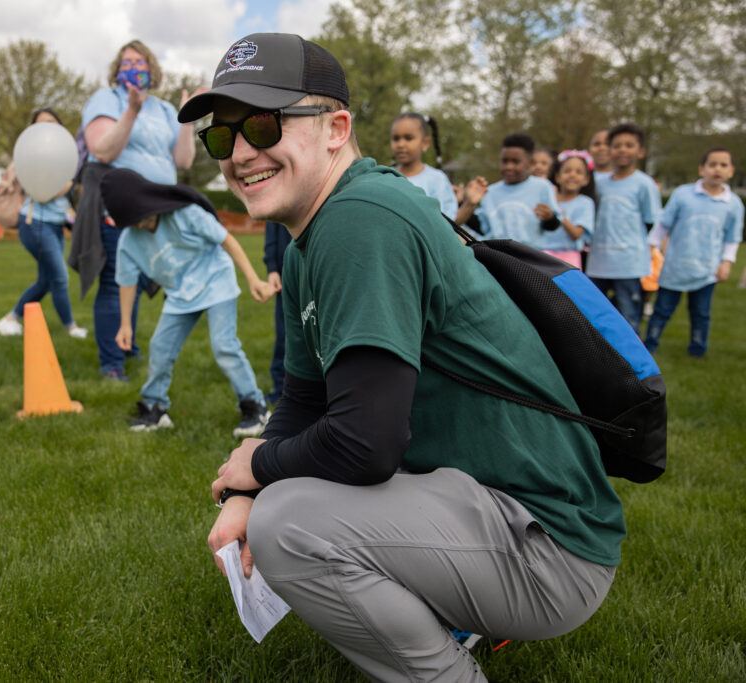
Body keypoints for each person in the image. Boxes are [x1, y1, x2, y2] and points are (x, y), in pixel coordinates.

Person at [183, 32, 625, 683]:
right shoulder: (311, 237)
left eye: (262, 123)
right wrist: (252, 481)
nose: (240, 152)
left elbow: (366, 443)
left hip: (548, 547)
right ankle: (448, 602)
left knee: (289, 526)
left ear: (336, 128)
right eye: (222, 138)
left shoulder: (361, 219)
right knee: (279, 498)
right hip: (489, 503)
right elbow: (305, 398)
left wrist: (261, 467)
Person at [100, 168, 274, 436]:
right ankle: (155, 408)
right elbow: (127, 283)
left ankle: (256, 407)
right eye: (131, 221)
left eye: (140, 216)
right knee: (160, 347)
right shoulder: (128, 242)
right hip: (180, 295)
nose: (139, 224)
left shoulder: (183, 214)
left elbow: (227, 240)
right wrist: (125, 325)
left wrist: (253, 279)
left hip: (216, 282)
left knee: (224, 346)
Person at [69, 40, 205, 381]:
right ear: (117, 69)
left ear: (152, 68)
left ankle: (125, 345)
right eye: (126, 61)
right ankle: (112, 363)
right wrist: (131, 110)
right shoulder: (107, 100)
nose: (133, 66)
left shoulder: (161, 109)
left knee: (140, 278)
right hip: (120, 208)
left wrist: (187, 118)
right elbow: (102, 150)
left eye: (140, 61)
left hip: (158, 211)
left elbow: (183, 160)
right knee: (117, 282)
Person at [0, 107, 87, 339]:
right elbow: (43, 192)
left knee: (46, 280)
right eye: (41, 123)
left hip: (55, 225)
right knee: (59, 277)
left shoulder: (65, 156)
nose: (48, 127)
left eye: (53, 122)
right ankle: (71, 327)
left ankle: (11, 318)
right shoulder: (29, 157)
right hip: (35, 224)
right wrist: (65, 184)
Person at [643, 147, 743, 357]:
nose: (717, 169)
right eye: (712, 164)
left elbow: (732, 238)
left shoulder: (733, 204)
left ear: (731, 171)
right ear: (701, 169)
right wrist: (651, 247)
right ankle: (649, 344)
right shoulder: (683, 194)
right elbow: (663, 224)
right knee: (662, 310)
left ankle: (698, 350)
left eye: (723, 165)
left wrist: (726, 262)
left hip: (706, 270)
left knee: (701, 313)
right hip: (675, 267)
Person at [585, 122, 662, 334]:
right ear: (609, 150)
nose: (622, 150)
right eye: (617, 145)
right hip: (599, 260)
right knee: (594, 312)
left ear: (641, 151)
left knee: (628, 313)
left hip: (628, 263)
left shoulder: (644, 184)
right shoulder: (599, 183)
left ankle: (632, 360)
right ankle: (601, 355)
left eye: (629, 145)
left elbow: (651, 221)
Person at [468, 133, 561, 246]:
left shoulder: (542, 187)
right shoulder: (489, 192)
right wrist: (464, 203)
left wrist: (549, 217)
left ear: (529, 163)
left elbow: (553, 226)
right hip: (498, 257)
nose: (509, 167)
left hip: (531, 258)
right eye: (505, 161)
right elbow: (484, 228)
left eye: (515, 162)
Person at [542, 149, 595, 268]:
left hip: (570, 258)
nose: (572, 175)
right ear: (557, 177)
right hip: (543, 255)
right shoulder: (547, 199)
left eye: (578, 172)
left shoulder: (586, 203)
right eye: (567, 171)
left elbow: (576, 234)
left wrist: (557, 211)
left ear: (586, 179)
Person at [262, 220, 291, 406]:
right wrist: (272, 267)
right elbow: (272, 225)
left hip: (315, 265)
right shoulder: (277, 192)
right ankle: (281, 388)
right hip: (284, 273)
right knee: (284, 334)